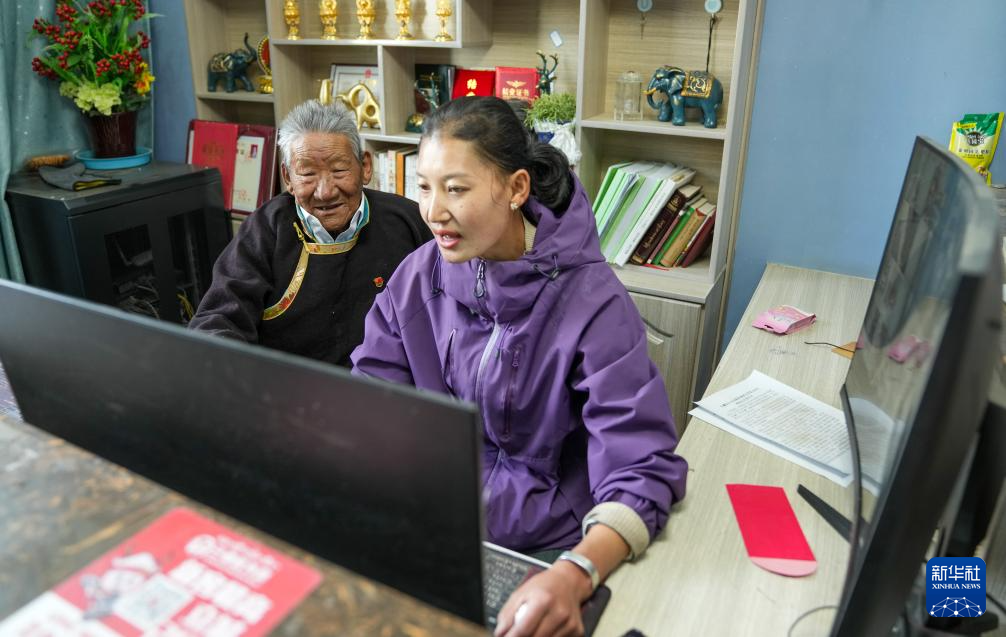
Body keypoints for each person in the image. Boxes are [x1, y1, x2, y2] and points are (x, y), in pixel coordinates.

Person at [351, 96, 687, 637]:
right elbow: (371, 404)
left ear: (516, 189)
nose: (433, 211)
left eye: (456, 188)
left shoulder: (594, 303)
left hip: (545, 545)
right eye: (424, 187)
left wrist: (575, 573)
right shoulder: (418, 276)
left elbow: (641, 468)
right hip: (434, 522)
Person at [189, 100, 431, 367]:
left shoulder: (407, 220)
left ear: (365, 167)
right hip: (290, 384)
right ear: (288, 178)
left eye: (339, 170)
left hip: (388, 382)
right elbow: (219, 319)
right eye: (307, 173)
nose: (325, 192)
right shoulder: (266, 229)